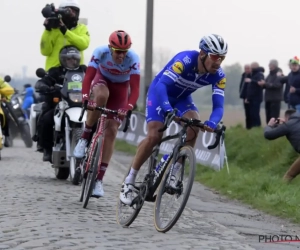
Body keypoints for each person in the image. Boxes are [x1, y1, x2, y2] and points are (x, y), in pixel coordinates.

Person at [119, 34, 228, 205]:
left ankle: (174, 171)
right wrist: (167, 109)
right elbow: (162, 85)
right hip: (159, 93)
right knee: (155, 136)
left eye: (222, 58)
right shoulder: (184, 60)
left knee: (194, 127)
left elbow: (219, 106)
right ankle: (129, 181)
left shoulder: (219, 75)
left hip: (182, 99)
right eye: (214, 56)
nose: (218, 62)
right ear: (202, 53)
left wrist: (213, 122)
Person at [73, 30, 140, 198]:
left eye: (124, 51)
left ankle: (98, 180)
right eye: (118, 51)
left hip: (121, 88)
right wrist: (86, 96)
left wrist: (128, 106)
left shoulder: (133, 59)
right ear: (111, 49)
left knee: (111, 132)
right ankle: (85, 136)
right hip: (101, 80)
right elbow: (88, 77)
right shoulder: (100, 52)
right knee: (101, 97)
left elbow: (136, 88)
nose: (121, 55)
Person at [35, 45, 86, 161]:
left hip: (80, 104)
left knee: (94, 120)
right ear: (63, 59)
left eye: (74, 58)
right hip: (61, 104)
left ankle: (93, 147)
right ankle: (46, 148)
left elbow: (95, 79)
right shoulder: (55, 71)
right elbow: (42, 81)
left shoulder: (84, 70)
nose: (72, 61)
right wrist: (45, 87)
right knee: (47, 118)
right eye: (69, 59)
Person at [40, 0, 90, 71]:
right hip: (54, 72)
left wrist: (65, 31)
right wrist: (47, 30)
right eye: (68, 11)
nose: (71, 14)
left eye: (74, 11)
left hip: (75, 71)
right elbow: (45, 51)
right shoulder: (53, 28)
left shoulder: (81, 28)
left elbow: (84, 44)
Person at [264, 109, 300, 181]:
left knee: (289, 175)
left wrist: (270, 125)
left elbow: (268, 135)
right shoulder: (290, 124)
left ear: (286, 117)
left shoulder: (288, 125)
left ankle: (279, 190)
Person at [0, 77, 15, 147]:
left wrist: (5, 98)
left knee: (6, 116)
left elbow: (8, 89)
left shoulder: (1, 80)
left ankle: (6, 135)